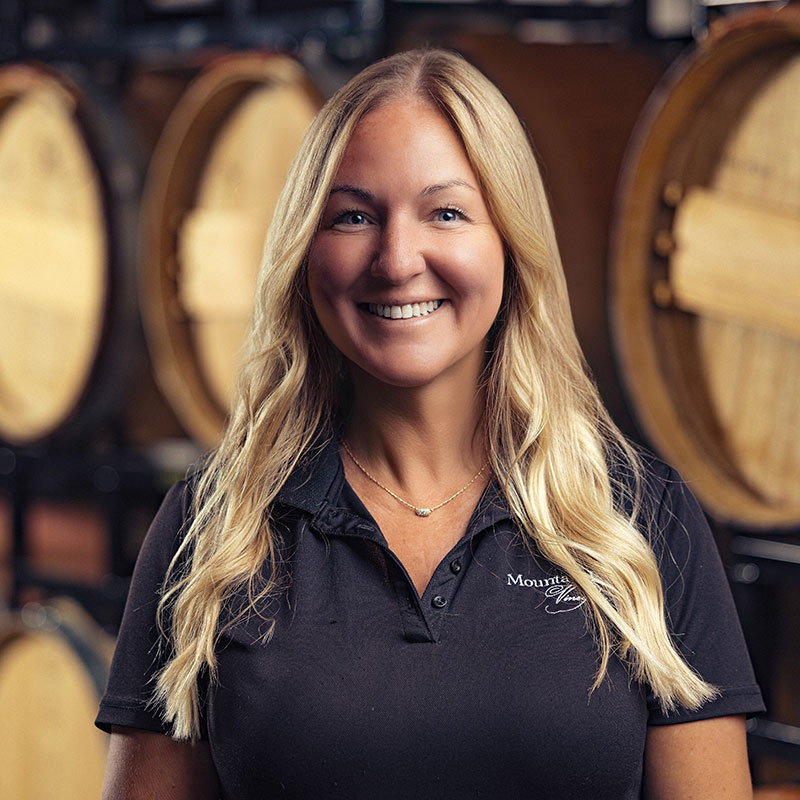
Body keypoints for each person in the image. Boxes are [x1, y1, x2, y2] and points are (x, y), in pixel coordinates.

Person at [97, 48, 764, 798]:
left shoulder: (642, 518)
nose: (396, 259)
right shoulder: (211, 529)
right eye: (353, 216)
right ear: (303, 253)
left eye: (446, 212)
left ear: (510, 242)